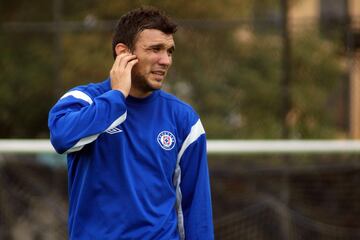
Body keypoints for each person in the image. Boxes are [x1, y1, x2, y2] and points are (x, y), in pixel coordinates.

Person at [48, 6, 214, 240]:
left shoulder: (185, 120)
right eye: (155, 49)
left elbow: (196, 209)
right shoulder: (83, 100)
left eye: (169, 51)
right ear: (123, 53)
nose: (165, 60)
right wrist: (116, 98)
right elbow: (62, 138)